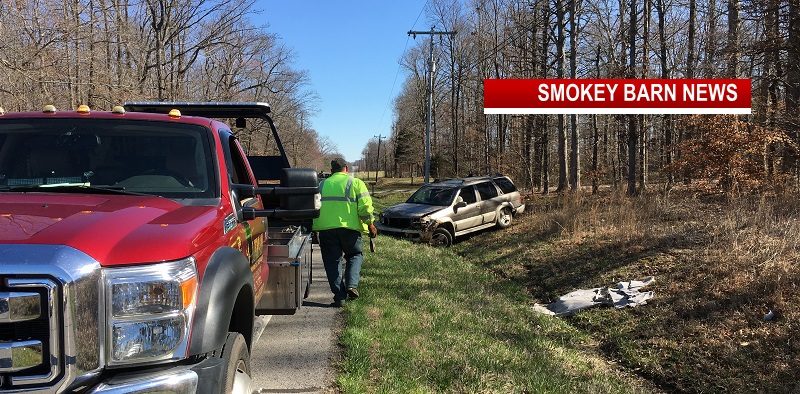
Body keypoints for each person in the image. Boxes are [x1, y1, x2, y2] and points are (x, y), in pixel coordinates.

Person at [312, 158, 378, 307]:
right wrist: (370, 224)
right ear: (346, 169)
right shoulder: (355, 183)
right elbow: (365, 208)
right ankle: (351, 285)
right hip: (350, 230)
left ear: (331, 170)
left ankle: (339, 297)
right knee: (354, 255)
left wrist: (314, 229)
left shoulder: (321, 185)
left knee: (332, 262)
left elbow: (314, 208)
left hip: (326, 230)